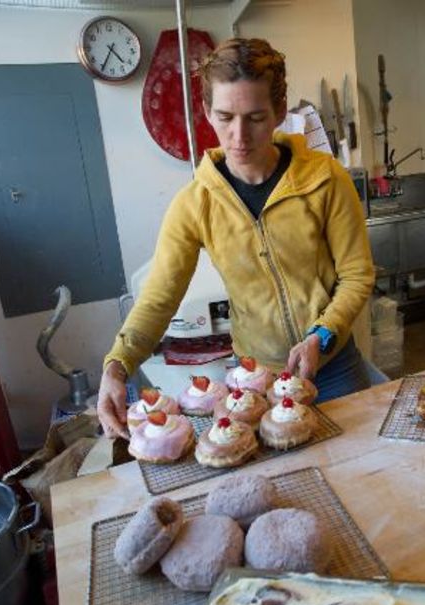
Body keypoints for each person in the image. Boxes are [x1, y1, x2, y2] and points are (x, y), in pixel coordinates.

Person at [97, 38, 375, 439]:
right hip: (255, 382)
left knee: (355, 465)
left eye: (256, 117)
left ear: (280, 112)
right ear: (207, 112)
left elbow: (357, 274)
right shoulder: (195, 204)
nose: (239, 136)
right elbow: (159, 298)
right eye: (225, 117)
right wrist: (116, 366)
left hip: (333, 368)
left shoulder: (325, 179)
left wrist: (322, 334)